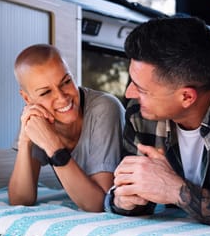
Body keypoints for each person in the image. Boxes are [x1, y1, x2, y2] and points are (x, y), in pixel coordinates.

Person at [105, 16, 210, 227]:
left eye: (141, 89)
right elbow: (130, 195)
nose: (129, 94)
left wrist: (175, 190)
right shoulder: (140, 113)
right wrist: (124, 200)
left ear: (187, 97)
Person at [8, 44, 124, 212]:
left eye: (66, 82)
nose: (62, 98)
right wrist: (25, 140)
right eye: (45, 93)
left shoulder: (104, 107)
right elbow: (21, 200)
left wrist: (53, 147)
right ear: (27, 98)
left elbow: (99, 204)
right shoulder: (35, 116)